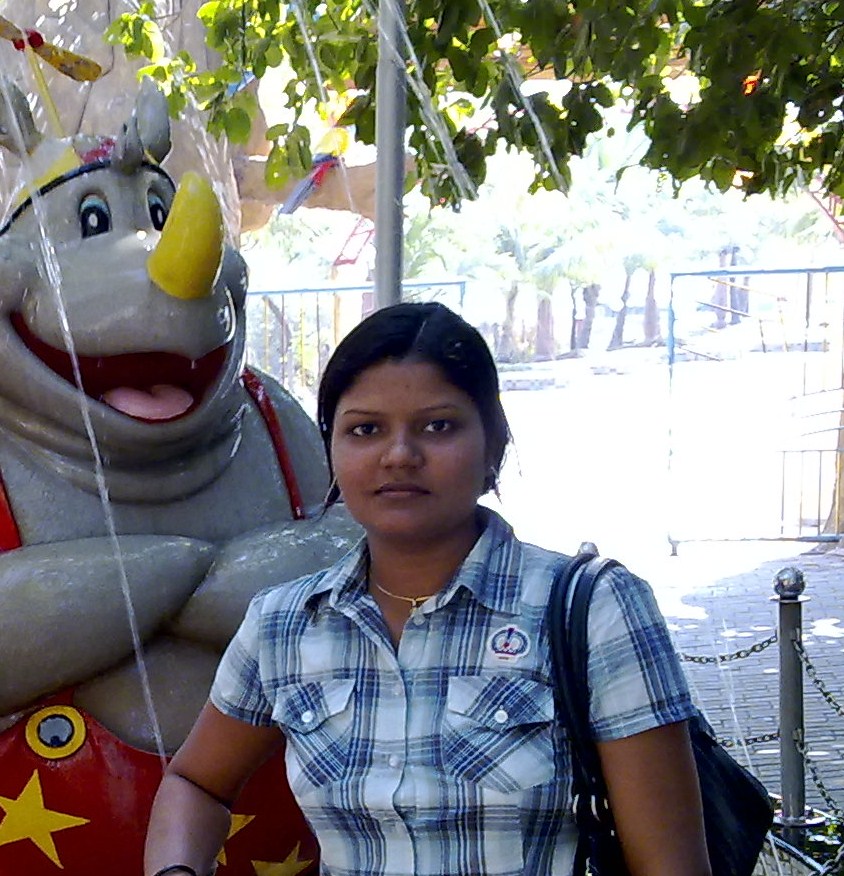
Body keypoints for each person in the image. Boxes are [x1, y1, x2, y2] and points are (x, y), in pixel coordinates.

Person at [144, 301, 711, 876]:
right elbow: (195, 782)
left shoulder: (593, 610)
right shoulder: (284, 624)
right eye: (365, 429)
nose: (399, 455)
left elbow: (670, 864)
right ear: (331, 450)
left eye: (438, 426)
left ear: (494, 443)